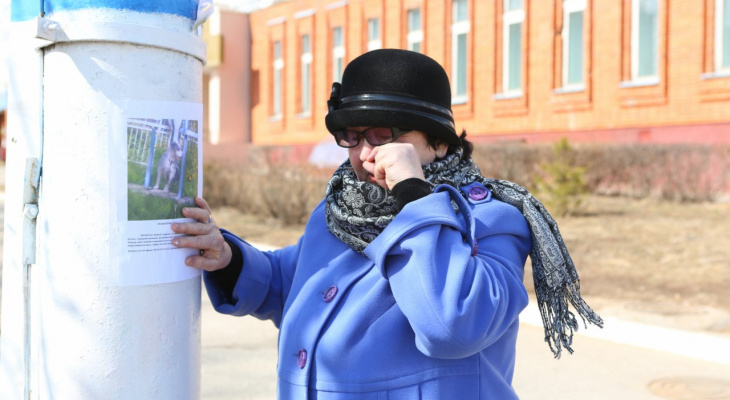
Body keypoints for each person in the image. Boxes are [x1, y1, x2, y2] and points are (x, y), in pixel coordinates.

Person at [172, 49, 602, 399]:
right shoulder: (340, 209)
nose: (362, 154)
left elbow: (453, 325)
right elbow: (295, 283)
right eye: (352, 136)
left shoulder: (494, 219)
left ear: (436, 139)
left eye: (382, 134)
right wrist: (229, 259)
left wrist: (413, 197)